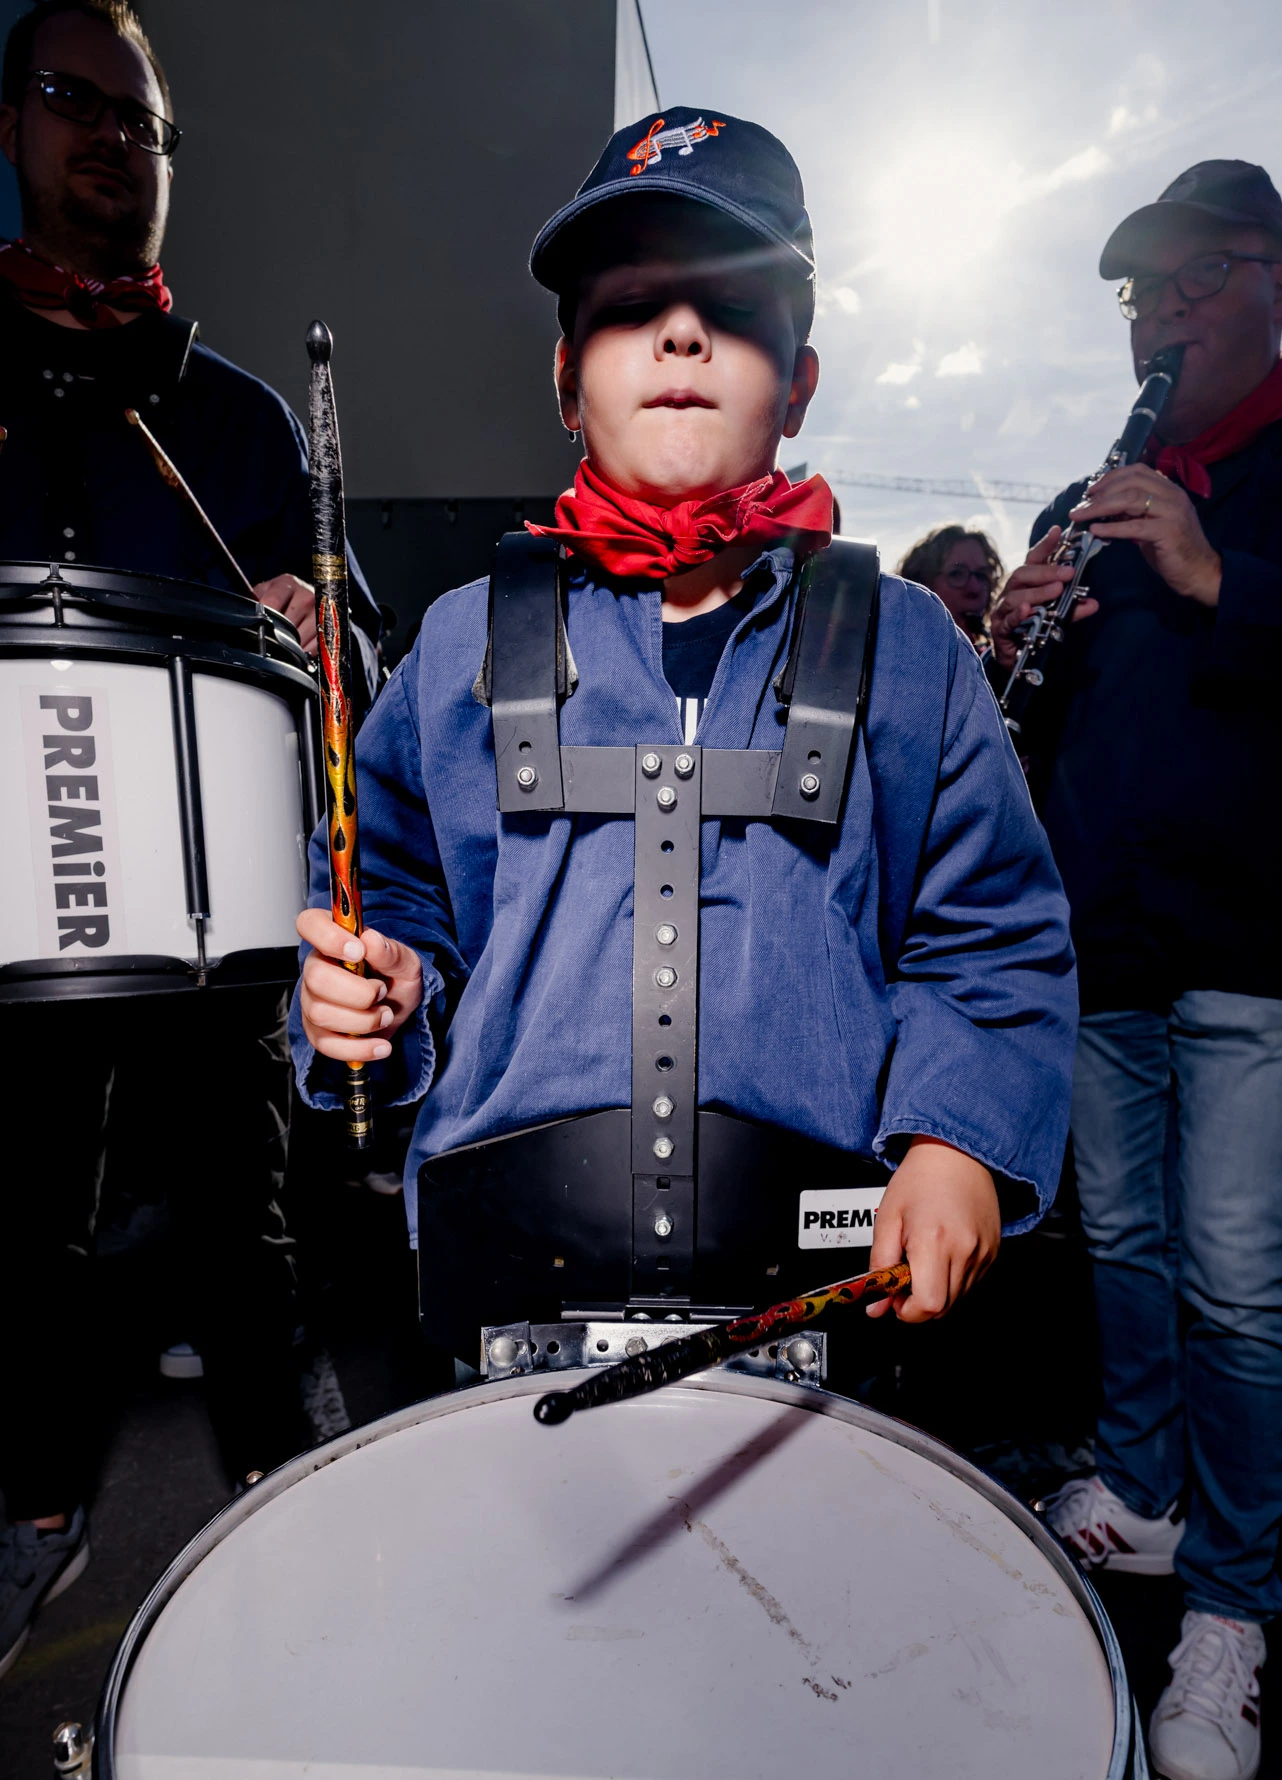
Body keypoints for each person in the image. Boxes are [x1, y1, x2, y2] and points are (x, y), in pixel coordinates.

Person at [291, 107, 1075, 1393]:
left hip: (822, 1305)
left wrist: (959, 1143)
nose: (680, 333)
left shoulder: (909, 647)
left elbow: (990, 938)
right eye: (631, 304)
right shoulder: (458, 646)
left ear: (801, 377)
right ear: (562, 379)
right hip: (500, 1287)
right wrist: (365, 997)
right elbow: (390, 903)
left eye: (731, 305)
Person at [0, 0, 376, 1680]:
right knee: (14, 1241)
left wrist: (322, 640)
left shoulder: (227, 414)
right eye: (75, 102)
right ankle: (25, 1517)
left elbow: (352, 655)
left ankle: (296, 1547)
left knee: (251, 1249)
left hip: (207, 936)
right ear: (14, 125)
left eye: (142, 120)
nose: (112, 142)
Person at [990, 160, 1282, 1780]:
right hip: (1105, 937)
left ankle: (1232, 1609)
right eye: (1139, 293)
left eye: (1191, 282)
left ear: (1270, 277)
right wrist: (1016, 642)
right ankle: (1139, 1484)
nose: (1161, 317)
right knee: (1117, 1235)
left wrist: (1210, 574)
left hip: (1263, 938)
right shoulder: (1090, 490)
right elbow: (1062, 727)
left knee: (1236, 1275)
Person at [896, 522, 1002, 649]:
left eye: (981, 575)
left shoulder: (992, 658)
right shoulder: (893, 656)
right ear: (922, 583)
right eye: (956, 574)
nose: (975, 588)